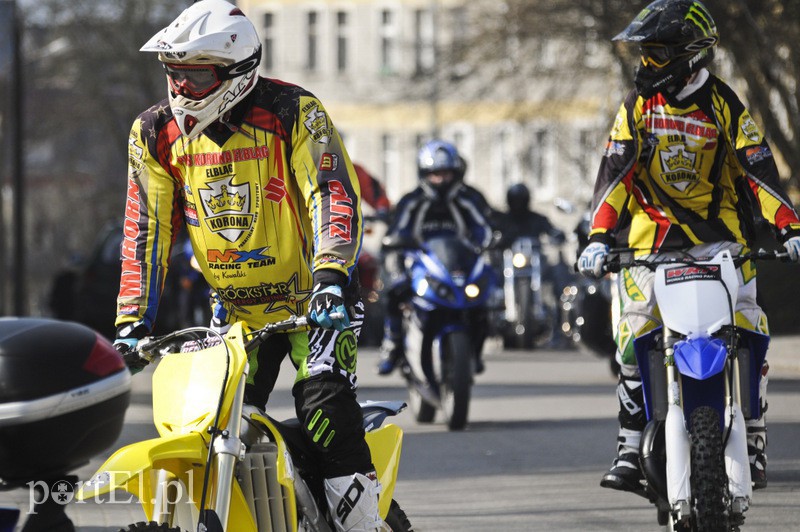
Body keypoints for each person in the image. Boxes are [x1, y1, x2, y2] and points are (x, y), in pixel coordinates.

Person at [111, 2, 383, 530]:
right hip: (235, 312)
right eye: (174, 73)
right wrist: (130, 322)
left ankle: (363, 523)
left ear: (236, 70)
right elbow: (145, 230)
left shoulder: (294, 111)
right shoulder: (153, 133)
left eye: (195, 74)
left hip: (315, 304)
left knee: (324, 408)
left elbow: (331, 194)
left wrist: (330, 276)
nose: (182, 87)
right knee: (209, 421)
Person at [577, 0, 800, 495]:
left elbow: (758, 169)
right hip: (646, 245)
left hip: (723, 242)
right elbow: (613, 177)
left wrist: (789, 228)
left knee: (750, 325)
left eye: (656, 54)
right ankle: (630, 447)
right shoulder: (636, 109)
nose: (645, 64)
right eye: (645, 54)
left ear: (689, 55)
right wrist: (597, 239)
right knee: (632, 336)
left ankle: (756, 435)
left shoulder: (724, 104)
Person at [376, 140, 495, 375]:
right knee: (396, 289)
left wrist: (488, 242)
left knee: (483, 302)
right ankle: (392, 342)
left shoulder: (467, 199)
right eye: (435, 174)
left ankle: (474, 352)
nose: (441, 180)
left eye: (446, 173)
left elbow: (485, 229)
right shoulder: (412, 201)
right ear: (424, 173)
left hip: (457, 265)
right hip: (419, 262)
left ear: (456, 173)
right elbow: (396, 232)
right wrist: (398, 244)